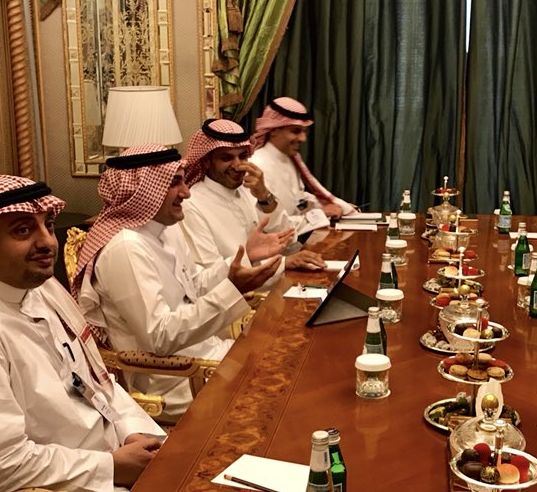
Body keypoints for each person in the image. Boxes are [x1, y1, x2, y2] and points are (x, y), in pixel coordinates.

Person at [0, 175, 164, 491]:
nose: (47, 242)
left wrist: (132, 431)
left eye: (49, 226)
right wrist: (111, 467)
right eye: (23, 230)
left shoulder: (43, 290)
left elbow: (97, 380)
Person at [73, 144, 285, 419]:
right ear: (144, 191)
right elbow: (159, 338)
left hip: (207, 352)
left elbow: (194, 286)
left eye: (184, 181)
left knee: (285, 356)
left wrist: (245, 257)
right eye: (174, 183)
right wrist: (234, 290)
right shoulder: (125, 248)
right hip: (173, 379)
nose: (186, 192)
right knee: (279, 390)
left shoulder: (165, 230)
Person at [180, 118, 326, 272]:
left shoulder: (248, 189)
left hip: (271, 282)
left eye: (242, 156)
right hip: (236, 294)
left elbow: (288, 238)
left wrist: (264, 196)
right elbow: (210, 275)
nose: (237, 166)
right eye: (226, 158)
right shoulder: (192, 205)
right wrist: (282, 263)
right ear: (206, 162)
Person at [250, 96, 356, 226]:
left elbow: (299, 201)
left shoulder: (290, 160)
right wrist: (320, 214)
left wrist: (332, 206)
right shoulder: (256, 166)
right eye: (296, 131)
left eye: (304, 132)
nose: (302, 138)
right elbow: (272, 224)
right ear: (274, 130)